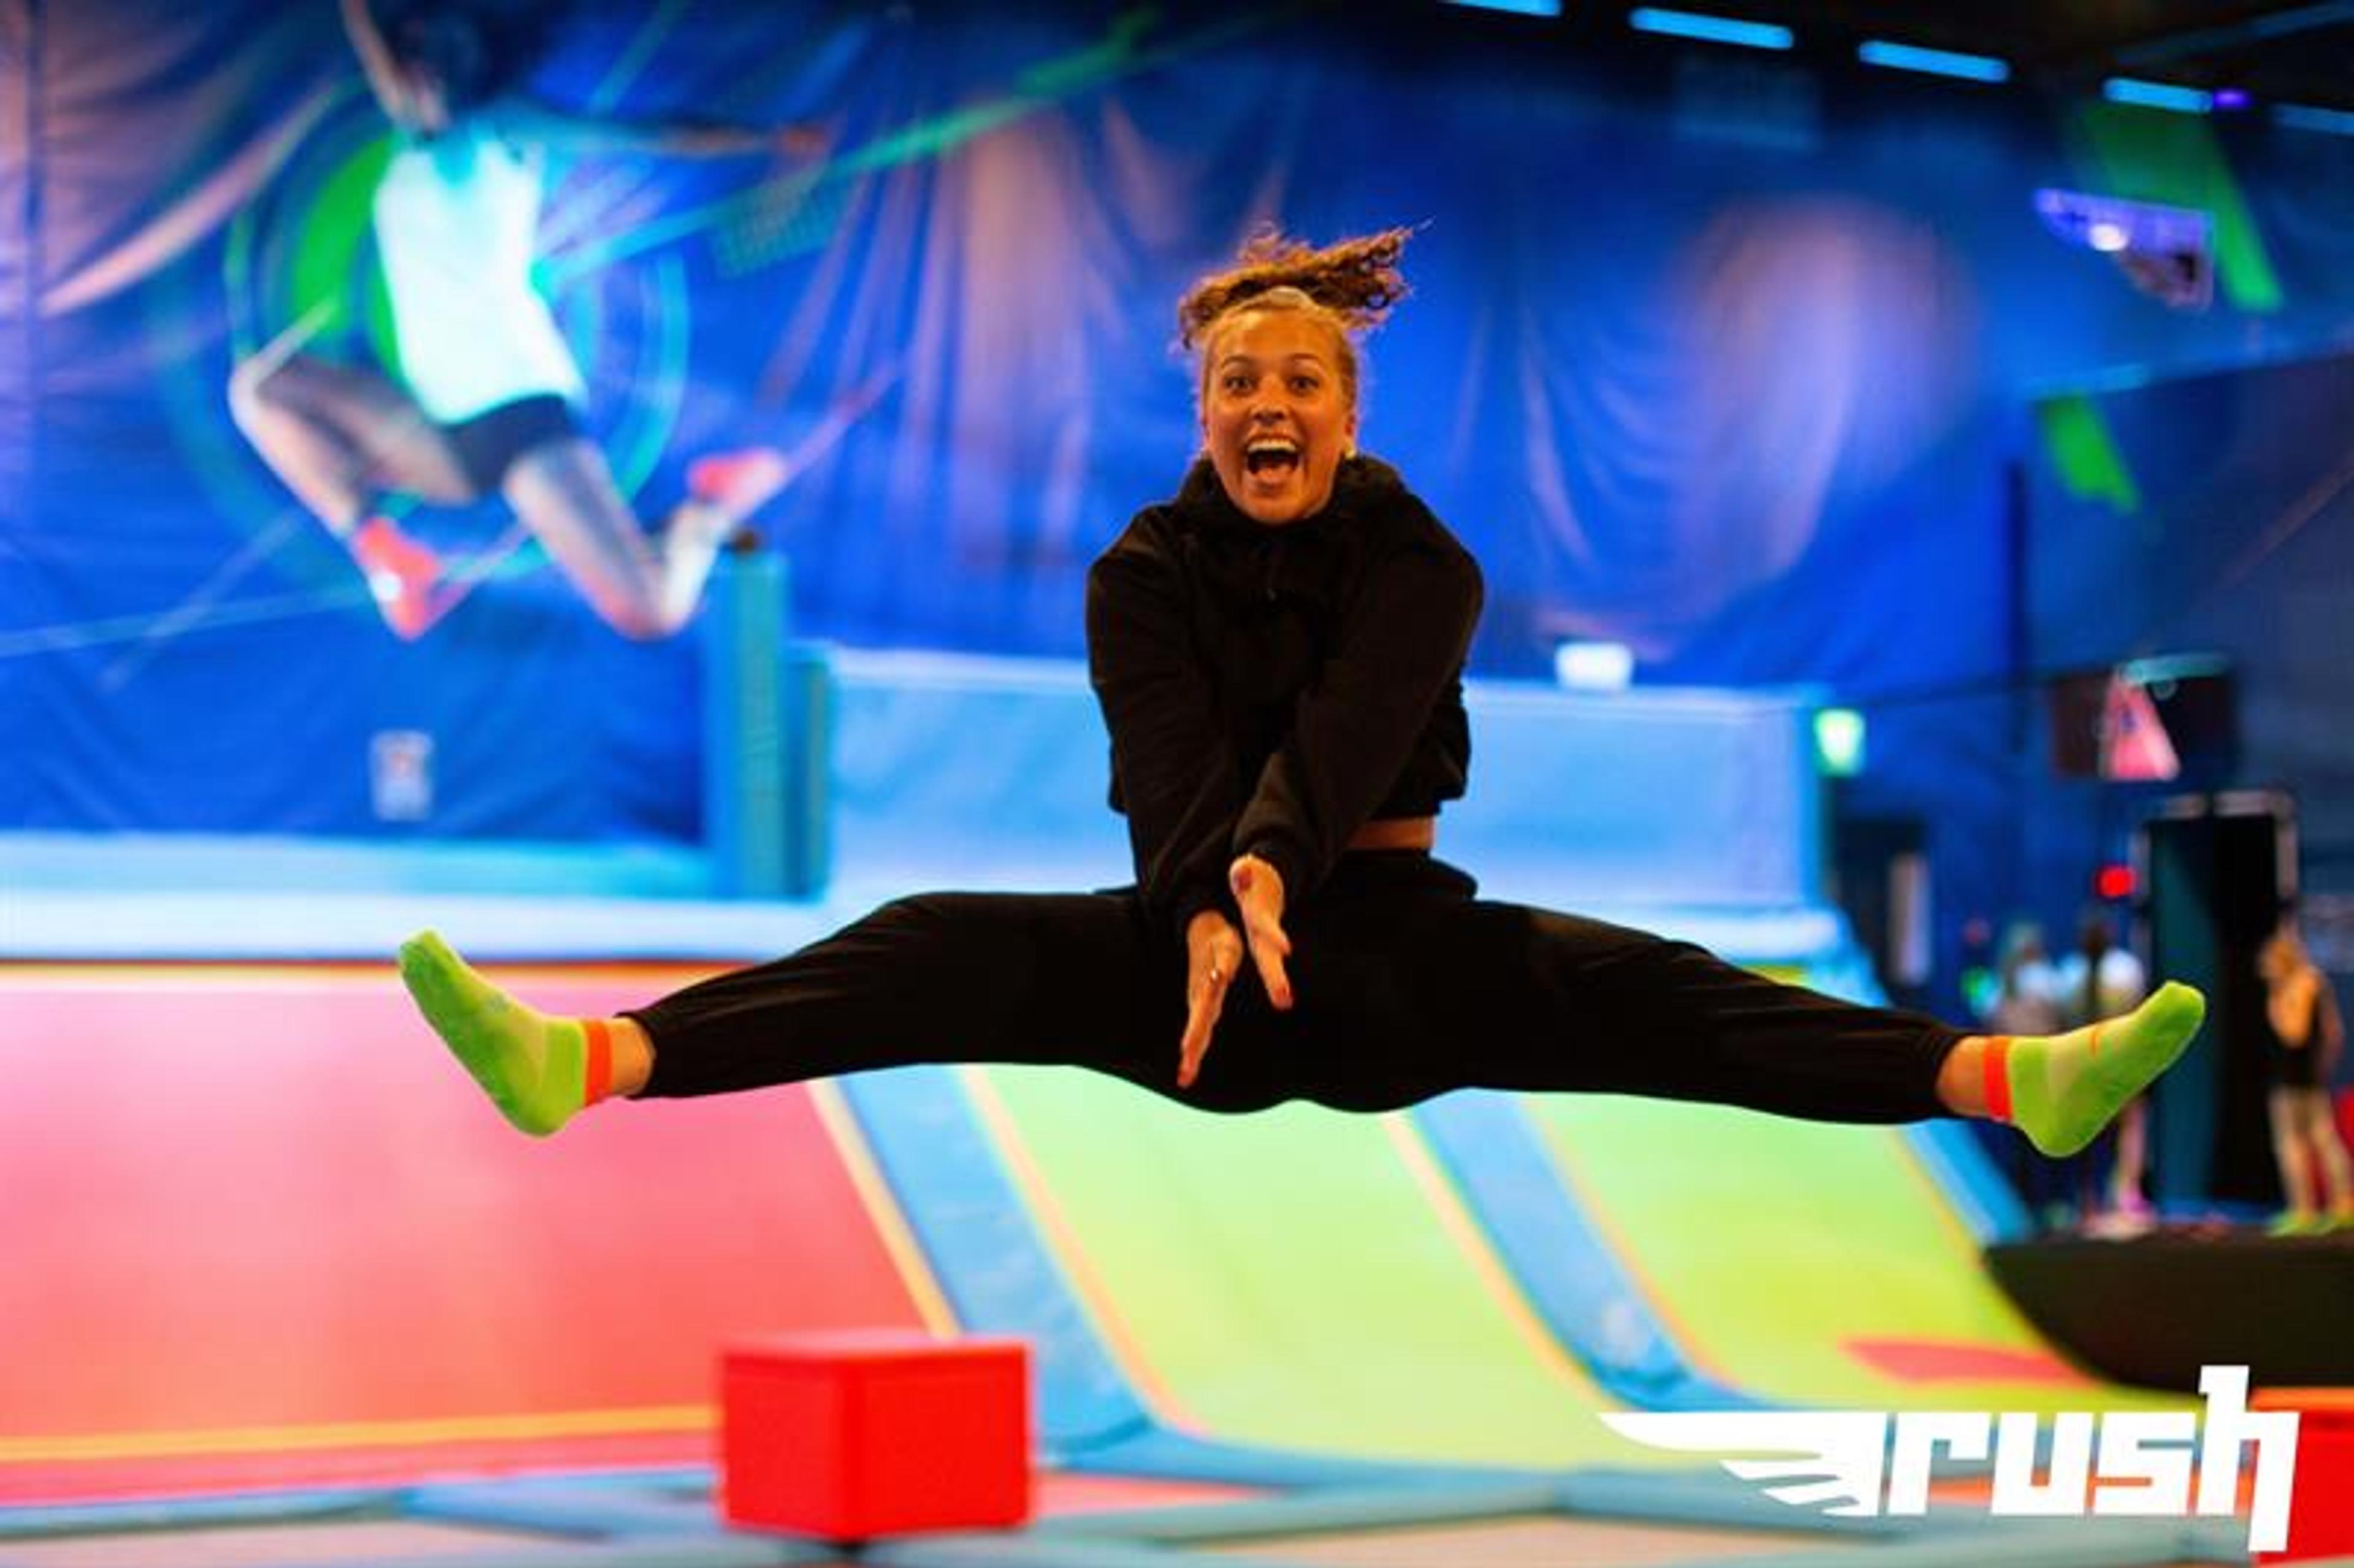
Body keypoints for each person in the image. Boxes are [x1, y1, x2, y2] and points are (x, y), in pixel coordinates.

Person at [397, 226, 2205, 1168]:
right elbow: (1168, 773)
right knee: (939, 939)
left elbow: (1342, 743)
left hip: (1383, 956)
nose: (1266, 407)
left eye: (1300, 383)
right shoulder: (1139, 576)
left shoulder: (1423, 565)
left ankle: (2001, 1076)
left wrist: (1268, 878)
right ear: (1203, 411)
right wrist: (1204, 902)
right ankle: (594, 1057)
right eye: (1235, 381)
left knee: (1649, 994)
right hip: (1188, 972)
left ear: (1344, 413)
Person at [228, 0, 825, 639]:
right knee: (263, 390)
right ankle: (388, 554)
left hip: (518, 411)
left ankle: (706, 510)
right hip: (436, 424)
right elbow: (370, 39)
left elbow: (654, 134)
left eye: (420, 67)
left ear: (453, 69)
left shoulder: (505, 127)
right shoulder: (414, 138)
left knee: (650, 612)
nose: (404, 81)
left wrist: (765, 140)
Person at [2052, 907, 2154, 1225]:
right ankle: (2105, 1197)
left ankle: (2111, 1196)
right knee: (2111, 1133)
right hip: (2105, 1063)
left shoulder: (2072, 973)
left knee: (2118, 1132)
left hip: (2101, 1064)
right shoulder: (2118, 970)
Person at [2256, 920, 2354, 1232]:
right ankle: (2343, 1204)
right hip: (2311, 1077)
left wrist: (2275, 1007)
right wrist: (2324, 1065)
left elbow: (2294, 1034)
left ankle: (2304, 1211)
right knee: (2326, 1141)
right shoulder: (2317, 982)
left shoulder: (2295, 987)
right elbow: (2334, 1032)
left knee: (2293, 1145)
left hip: (2291, 1080)